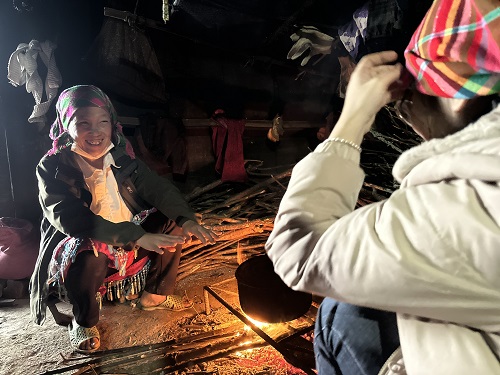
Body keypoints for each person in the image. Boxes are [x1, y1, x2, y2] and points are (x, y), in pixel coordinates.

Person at [265, 0, 500, 374]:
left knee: (338, 316)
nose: (403, 109)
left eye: (413, 93)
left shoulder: (473, 206)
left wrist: (352, 117)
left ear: (457, 101)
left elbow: (299, 249)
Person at [30, 85, 217, 354]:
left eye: (102, 122)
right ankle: (84, 321)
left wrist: (187, 219)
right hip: (85, 239)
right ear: (65, 126)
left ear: (113, 124)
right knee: (89, 251)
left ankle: (154, 295)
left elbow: (158, 188)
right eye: (83, 123)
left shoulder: (121, 157)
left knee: (173, 225)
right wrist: (138, 236)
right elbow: (71, 218)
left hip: (128, 236)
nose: (95, 131)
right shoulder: (53, 166)